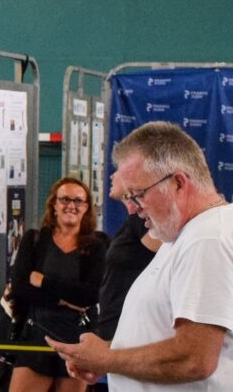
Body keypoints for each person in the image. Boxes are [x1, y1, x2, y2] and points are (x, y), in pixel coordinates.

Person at [48, 121, 233, 390]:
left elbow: (195, 359)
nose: (132, 209)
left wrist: (108, 358)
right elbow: (163, 335)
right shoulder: (185, 233)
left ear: (178, 183)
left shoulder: (206, 239)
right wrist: (106, 355)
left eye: (137, 195)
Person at [9, 177, 107, 392]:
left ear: (87, 208)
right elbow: (20, 288)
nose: (71, 206)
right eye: (64, 199)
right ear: (54, 205)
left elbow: (89, 295)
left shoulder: (97, 245)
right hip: (37, 335)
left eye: (78, 201)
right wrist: (63, 300)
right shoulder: (34, 239)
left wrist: (43, 281)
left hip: (79, 339)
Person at [95, 177, 161, 342]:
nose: (110, 176)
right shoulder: (133, 222)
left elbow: (167, 252)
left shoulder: (142, 221)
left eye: (118, 171)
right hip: (112, 327)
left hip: (130, 329)